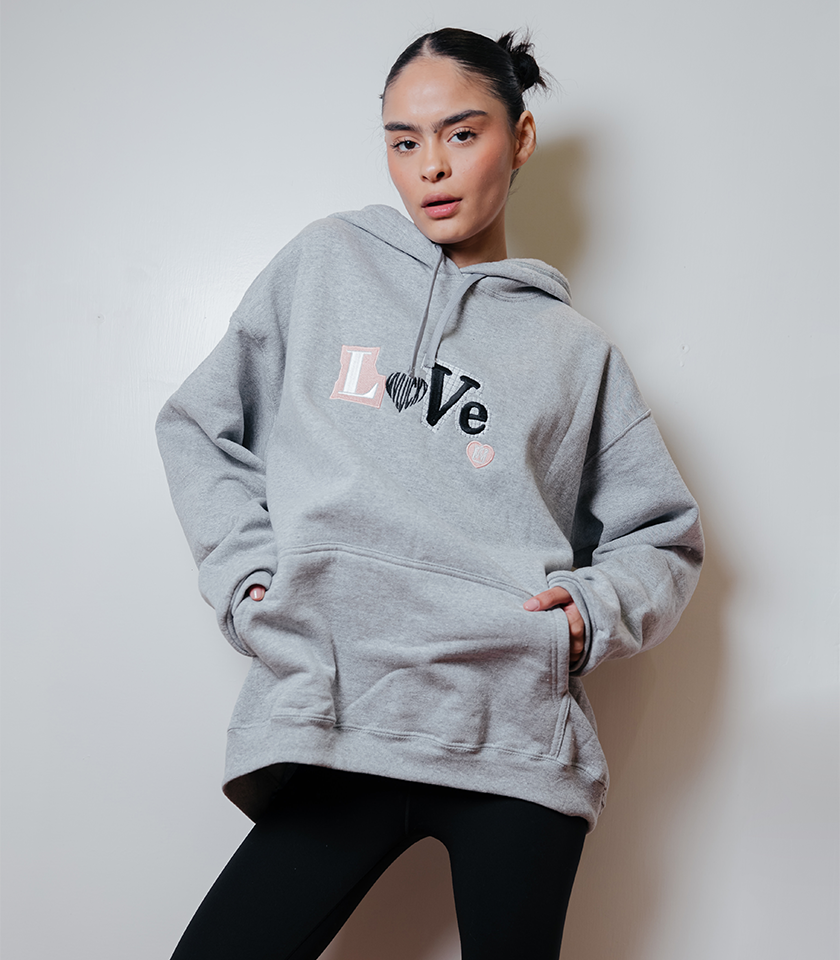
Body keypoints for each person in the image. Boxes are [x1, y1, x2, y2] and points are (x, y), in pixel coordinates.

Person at [157, 27, 704, 960]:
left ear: (519, 139)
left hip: (513, 736)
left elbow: (665, 538)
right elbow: (197, 426)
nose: (431, 167)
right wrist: (247, 580)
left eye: (462, 133)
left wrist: (582, 619)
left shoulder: (577, 355)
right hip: (341, 715)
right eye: (404, 141)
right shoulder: (326, 264)